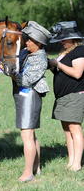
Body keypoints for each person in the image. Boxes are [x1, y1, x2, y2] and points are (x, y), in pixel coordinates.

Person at [12, 21, 51, 182]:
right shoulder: (28, 53)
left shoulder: (40, 58)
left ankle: (28, 173)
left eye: (30, 40)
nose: (26, 42)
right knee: (31, 135)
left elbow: (26, 81)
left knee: (27, 135)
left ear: (39, 43)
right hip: (25, 97)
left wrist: (12, 74)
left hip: (30, 97)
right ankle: (36, 167)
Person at [48, 21, 84, 172]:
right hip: (62, 97)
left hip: (74, 95)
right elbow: (60, 72)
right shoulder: (64, 53)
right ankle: (71, 161)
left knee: (75, 128)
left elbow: (77, 73)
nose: (61, 41)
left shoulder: (80, 50)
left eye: (64, 39)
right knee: (67, 130)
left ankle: (77, 164)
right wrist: (52, 65)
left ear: (73, 38)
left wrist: (58, 64)